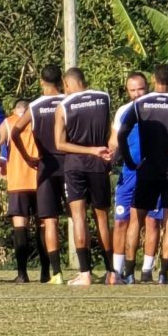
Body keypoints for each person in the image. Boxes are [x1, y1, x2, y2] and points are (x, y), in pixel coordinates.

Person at [118, 64, 168, 285]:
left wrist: (129, 161)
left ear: (153, 80)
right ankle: (163, 275)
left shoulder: (140, 104)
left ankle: (129, 273)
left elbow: (122, 133)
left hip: (147, 168)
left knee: (136, 220)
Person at [55, 68, 114, 286]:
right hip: (99, 165)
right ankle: (111, 272)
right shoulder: (104, 98)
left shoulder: (64, 106)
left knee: (79, 217)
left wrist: (88, 150)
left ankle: (85, 273)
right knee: (102, 218)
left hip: (75, 165)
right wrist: (99, 150)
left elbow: (60, 144)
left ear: (68, 84)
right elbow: (108, 132)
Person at [9, 65, 66, 283]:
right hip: (69, 162)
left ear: (42, 81)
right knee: (78, 216)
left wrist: (26, 155)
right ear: (61, 80)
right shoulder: (68, 101)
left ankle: (55, 273)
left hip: (46, 167)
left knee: (48, 220)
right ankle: (86, 270)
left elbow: (14, 132)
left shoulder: (35, 106)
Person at [110, 72, 163, 284]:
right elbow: (114, 142)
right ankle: (117, 270)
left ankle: (147, 270)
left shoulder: (156, 108)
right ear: (127, 91)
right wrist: (109, 157)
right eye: (132, 90)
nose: (136, 94)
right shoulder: (123, 111)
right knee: (122, 221)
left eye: (140, 89)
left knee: (152, 221)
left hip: (154, 171)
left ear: (147, 87)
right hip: (129, 172)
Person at [0, 100, 40, 283]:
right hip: (40, 180)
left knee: (20, 226)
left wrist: (2, 165)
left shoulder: (8, 123)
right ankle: (47, 271)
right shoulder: (37, 120)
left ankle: (22, 273)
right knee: (44, 225)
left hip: (17, 181)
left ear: (14, 109)